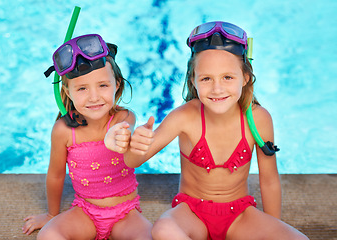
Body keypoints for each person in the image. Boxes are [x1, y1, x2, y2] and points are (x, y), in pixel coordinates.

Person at [105, 22, 309, 239]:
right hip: (192, 213)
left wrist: (272, 229)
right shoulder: (185, 116)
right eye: (206, 78)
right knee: (163, 229)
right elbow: (134, 161)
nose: (217, 88)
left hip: (239, 216)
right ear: (193, 80)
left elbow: (269, 180)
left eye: (228, 77)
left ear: (246, 77)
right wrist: (136, 145)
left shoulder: (258, 119)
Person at [22, 34, 152, 240]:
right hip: (85, 211)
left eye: (103, 85)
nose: (94, 97)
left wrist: (116, 136)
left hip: (126, 213)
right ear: (68, 91)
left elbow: (123, 135)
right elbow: (56, 175)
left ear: (116, 85)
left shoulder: (123, 117)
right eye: (82, 88)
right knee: (48, 235)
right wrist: (51, 215)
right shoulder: (64, 130)